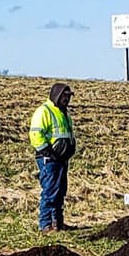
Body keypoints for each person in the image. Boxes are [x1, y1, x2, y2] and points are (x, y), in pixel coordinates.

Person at [28, 83, 76, 231]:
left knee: (60, 191)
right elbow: (35, 134)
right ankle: (46, 224)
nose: (67, 99)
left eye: (68, 97)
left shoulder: (64, 114)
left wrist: (71, 148)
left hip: (61, 159)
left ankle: (57, 223)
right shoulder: (44, 111)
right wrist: (47, 152)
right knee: (50, 191)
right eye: (64, 96)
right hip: (49, 159)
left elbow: (68, 134)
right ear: (57, 95)